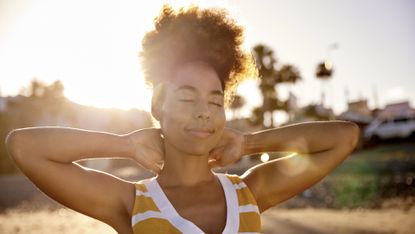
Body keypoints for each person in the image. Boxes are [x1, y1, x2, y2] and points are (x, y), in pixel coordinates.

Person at [4, 4, 359, 234]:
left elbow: (344, 137)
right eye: (187, 97)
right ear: (158, 105)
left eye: (215, 100)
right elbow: (24, 146)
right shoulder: (130, 202)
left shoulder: (250, 191)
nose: (204, 110)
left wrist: (249, 142)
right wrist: (125, 145)